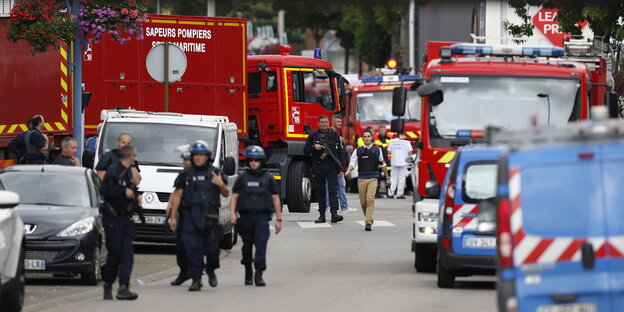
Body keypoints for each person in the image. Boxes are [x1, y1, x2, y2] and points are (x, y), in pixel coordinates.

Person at [168, 141, 229, 292]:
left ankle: (211, 269)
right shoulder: (185, 174)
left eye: (202, 155)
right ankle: (196, 279)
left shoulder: (215, 172)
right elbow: (177, 196)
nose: (199, 158)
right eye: (196, 155)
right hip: (190, 216)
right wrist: (173, 217)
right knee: (192, 248)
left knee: (212, 250)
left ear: (207, 156)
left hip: (210, 216)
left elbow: (226, 193)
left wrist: (220, 184)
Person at [230, 145, 282, 286]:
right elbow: (234, 196)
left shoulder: (268, 178)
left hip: (262, 218)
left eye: (256, 160)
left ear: (261, 161)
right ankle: (248, 271)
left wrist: (279, 219)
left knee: (260, 245)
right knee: (247, 247)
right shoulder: (242, 178)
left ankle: (258, 274)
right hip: (246, 218)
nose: (253, 162)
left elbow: (276, 198)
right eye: (251, 159)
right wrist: (232, 214)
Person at [100, 145, 140, 300]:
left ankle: (124, 287)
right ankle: (108, 285)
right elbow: (105, 190)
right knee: (115, 255)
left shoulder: (128, 172)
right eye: (134, 156)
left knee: (127, 255)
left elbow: (132, 188)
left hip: (126, 220)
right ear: (129, 156)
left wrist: (135, 196)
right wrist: (123, 191)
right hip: (113, 220)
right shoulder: (113, 171)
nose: (135, 159)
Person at [345, 130, 390, 231]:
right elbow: (352, 163)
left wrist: (387, 178)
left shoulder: (378, 150)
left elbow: (383, 164)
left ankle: (368, 222)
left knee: (370, 199)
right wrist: (348, 170)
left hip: (373, 178)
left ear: (372, 137)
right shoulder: (358, 150)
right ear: (362, 138)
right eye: (365, 137)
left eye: (368, 136)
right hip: (361, 179)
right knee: (363, 202)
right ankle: (369, 217)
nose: (367, 138)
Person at [303, 115, 344, 224]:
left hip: (331, 166)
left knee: (333, 190)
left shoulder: (334, 134)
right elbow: (305, 150)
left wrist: (341, 167)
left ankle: (334, 213)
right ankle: (322, 215)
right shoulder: (313, 135)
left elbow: (340, 152)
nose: (324, 124)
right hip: (319, 165)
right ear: (318, 123)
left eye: (326, 122)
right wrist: (313, 147)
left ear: (329, 123)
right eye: (322, 122)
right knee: (320, 191)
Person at [167, 146, 192, 286]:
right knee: (181, 247)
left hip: (198, 216)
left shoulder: (201, 172)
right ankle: (184, 272)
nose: (184, 162)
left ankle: (196, 272)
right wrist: (171, 208)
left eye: (187, 159)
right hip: (184, 215)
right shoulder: (183, 175)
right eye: (183, 159)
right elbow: (177, 192)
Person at [325, 115, 356, 213]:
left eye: (340, 122)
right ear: (333, 122)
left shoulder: (337, 135)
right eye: (338, 122)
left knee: (340, 185)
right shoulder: (330, 134)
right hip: (331, 165)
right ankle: (330, 206)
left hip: (337, 165)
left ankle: (343, 206)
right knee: (330, 186)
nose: (340, 124)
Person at [387, 131, 413, 199]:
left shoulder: (392, 141)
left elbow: (389, 151)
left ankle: (390, 193)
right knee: (402, 179)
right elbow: (410, 152)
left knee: (393, 178)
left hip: (394, 162)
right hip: (403, 162)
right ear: (403, 135)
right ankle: (399, 194)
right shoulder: (406, 142)